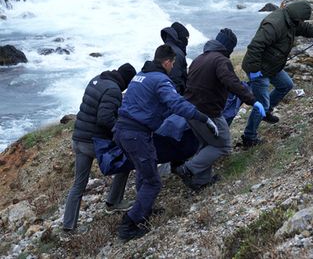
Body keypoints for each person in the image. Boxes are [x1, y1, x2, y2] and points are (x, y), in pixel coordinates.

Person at [113, 45, 216, 241]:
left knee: (145, 171)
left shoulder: (140, 76)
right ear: (167, 62)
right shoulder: (160, 80)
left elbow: (147, 104)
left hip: (123, 131)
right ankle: (129, 225)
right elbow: (176, 103)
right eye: (173, 64)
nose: (173, 67)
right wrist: (201, 117)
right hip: (136, 135)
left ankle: (144, 210)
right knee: (153, 182)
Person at [174, 28, 265, 191]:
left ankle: (201, 180)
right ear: (228, 47)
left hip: (189, 110)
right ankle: (187, 170)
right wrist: (252, 100)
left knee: (206, 143)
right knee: (223, 145)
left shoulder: (199, 58)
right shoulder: (221, 60)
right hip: (207, 112)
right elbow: (230, 81)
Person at [240, 0, 313, 147]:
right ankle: (249, 137)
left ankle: (267, 112)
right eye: (302, 19)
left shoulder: (291, 21)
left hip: (272, 66)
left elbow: (306, 28)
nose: (302, 22)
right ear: (297, 16)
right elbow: (255, 46)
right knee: (261, 105)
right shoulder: (274, 25)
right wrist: (254, 70)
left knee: (286, 85)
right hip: (259, 70)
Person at [62, 63, 137, 232]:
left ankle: (68, 228)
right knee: (125, 161)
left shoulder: (97, 79)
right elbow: (104, 118)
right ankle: (113, 202)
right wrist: (119, 131)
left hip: (78, 139)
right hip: (93, 142)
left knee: (78, 184)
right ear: (126, 81)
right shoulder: (114, 90)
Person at [160, 22, 190, 94]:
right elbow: (175, 80)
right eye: (186, 38)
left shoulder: (163, 48)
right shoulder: (176, 53)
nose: (187, 41)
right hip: (173, 97)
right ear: (181, 37)